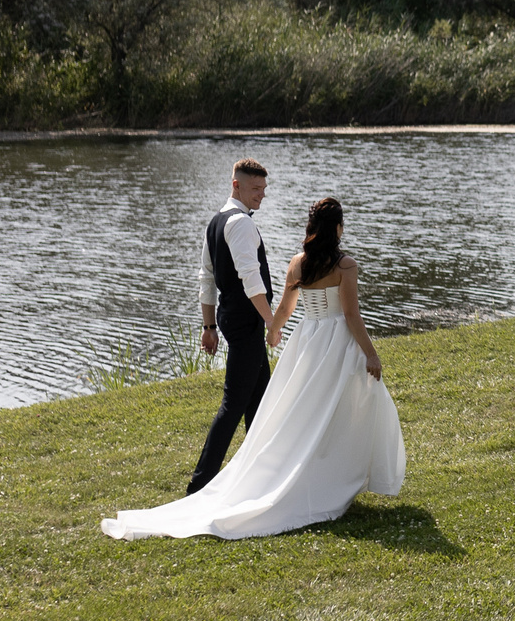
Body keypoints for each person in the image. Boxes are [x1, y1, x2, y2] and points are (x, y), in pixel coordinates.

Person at [103, 196, 404, 541]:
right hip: (336, 344)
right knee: (342, 409)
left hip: (307, 342)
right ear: (337, 228)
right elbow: (351, 315)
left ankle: (316, 473)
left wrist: (273, 331)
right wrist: (371, 354)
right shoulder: (346, 266)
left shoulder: (297, 264)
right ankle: (331, 477)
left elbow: (286, 312)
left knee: (305, 412)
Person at [187, 156, 279, 495]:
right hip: (245, 320)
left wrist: (209, 326)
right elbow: (250, 279)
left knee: (259, 397)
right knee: (234, 402)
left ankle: (260, 473)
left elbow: (207, 278)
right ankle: (199, 485)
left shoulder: (216, 222)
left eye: (264, 188)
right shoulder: (240, 223)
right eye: (255, 188)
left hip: (231, 318)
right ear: (236, 185)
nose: (262, 195)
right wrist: (271, 322)